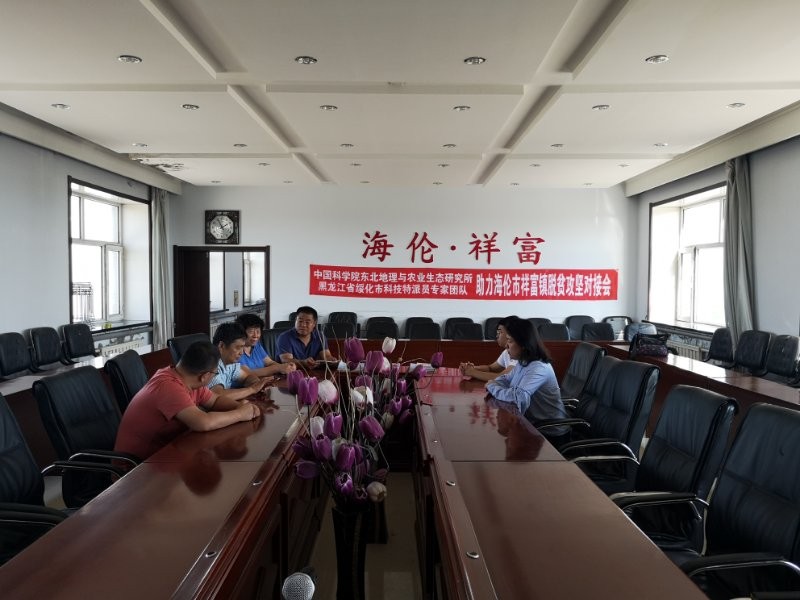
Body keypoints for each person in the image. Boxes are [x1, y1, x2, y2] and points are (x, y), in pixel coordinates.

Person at [114, 340, 260, 461]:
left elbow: (215, 400)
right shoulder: (168, 386)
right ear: (204, 376)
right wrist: (240, 414)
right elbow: (203, 422)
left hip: (165, 454)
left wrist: (240, 406)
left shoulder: (188, 378)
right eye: (215, 373)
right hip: (136, 468)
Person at [485, 317, 570, 446]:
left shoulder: (538, 368)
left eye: (510, 341)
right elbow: (504, 379)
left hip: (550, 433)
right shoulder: (523, 362)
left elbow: (518, 397)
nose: (506, 346)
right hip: (531, 425)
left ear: (524, 344)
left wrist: (492, 386)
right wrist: (495, 384)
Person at [209, 322, 271, 400]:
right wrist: (252, 389)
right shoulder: (211, 364)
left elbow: (247, 376)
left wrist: (256, 383)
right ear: (221, 346)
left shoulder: (229, 363)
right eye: (238, 347)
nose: (241, 352)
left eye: (242, 347)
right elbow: (218, 395)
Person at [235, 313, 296, 378]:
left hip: (264, 382)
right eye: (251, 332)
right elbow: (247, 373)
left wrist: (285, 367)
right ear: (241, 332)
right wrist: (278, 368)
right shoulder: (235, 351)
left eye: (258, 332)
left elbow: (269, 362)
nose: (255, 335)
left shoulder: (256, 345)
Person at [459, 315, 518, 381]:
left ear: (510, 334)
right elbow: (490, 368)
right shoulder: (506, 352)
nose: (497, 336)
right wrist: (472, 368)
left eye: (499, 332)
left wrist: (472, 372)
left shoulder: (519, 353)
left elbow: (501, 378)